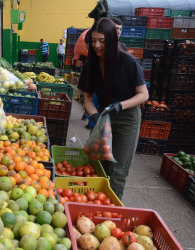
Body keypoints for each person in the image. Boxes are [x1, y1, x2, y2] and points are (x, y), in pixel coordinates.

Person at [78, 18, 149, 199]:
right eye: (93, 41)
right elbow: (86, 98)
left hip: (127, 118)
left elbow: (143, 94)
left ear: (112, 39)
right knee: (101, 164)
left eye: (102, 41)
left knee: (118, 169)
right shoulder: (90, 65)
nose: (97, 45)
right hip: (104, 116)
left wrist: (120, 105)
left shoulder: (129, 62)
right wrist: (95, 116)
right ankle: (97, 203)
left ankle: (112, 210)